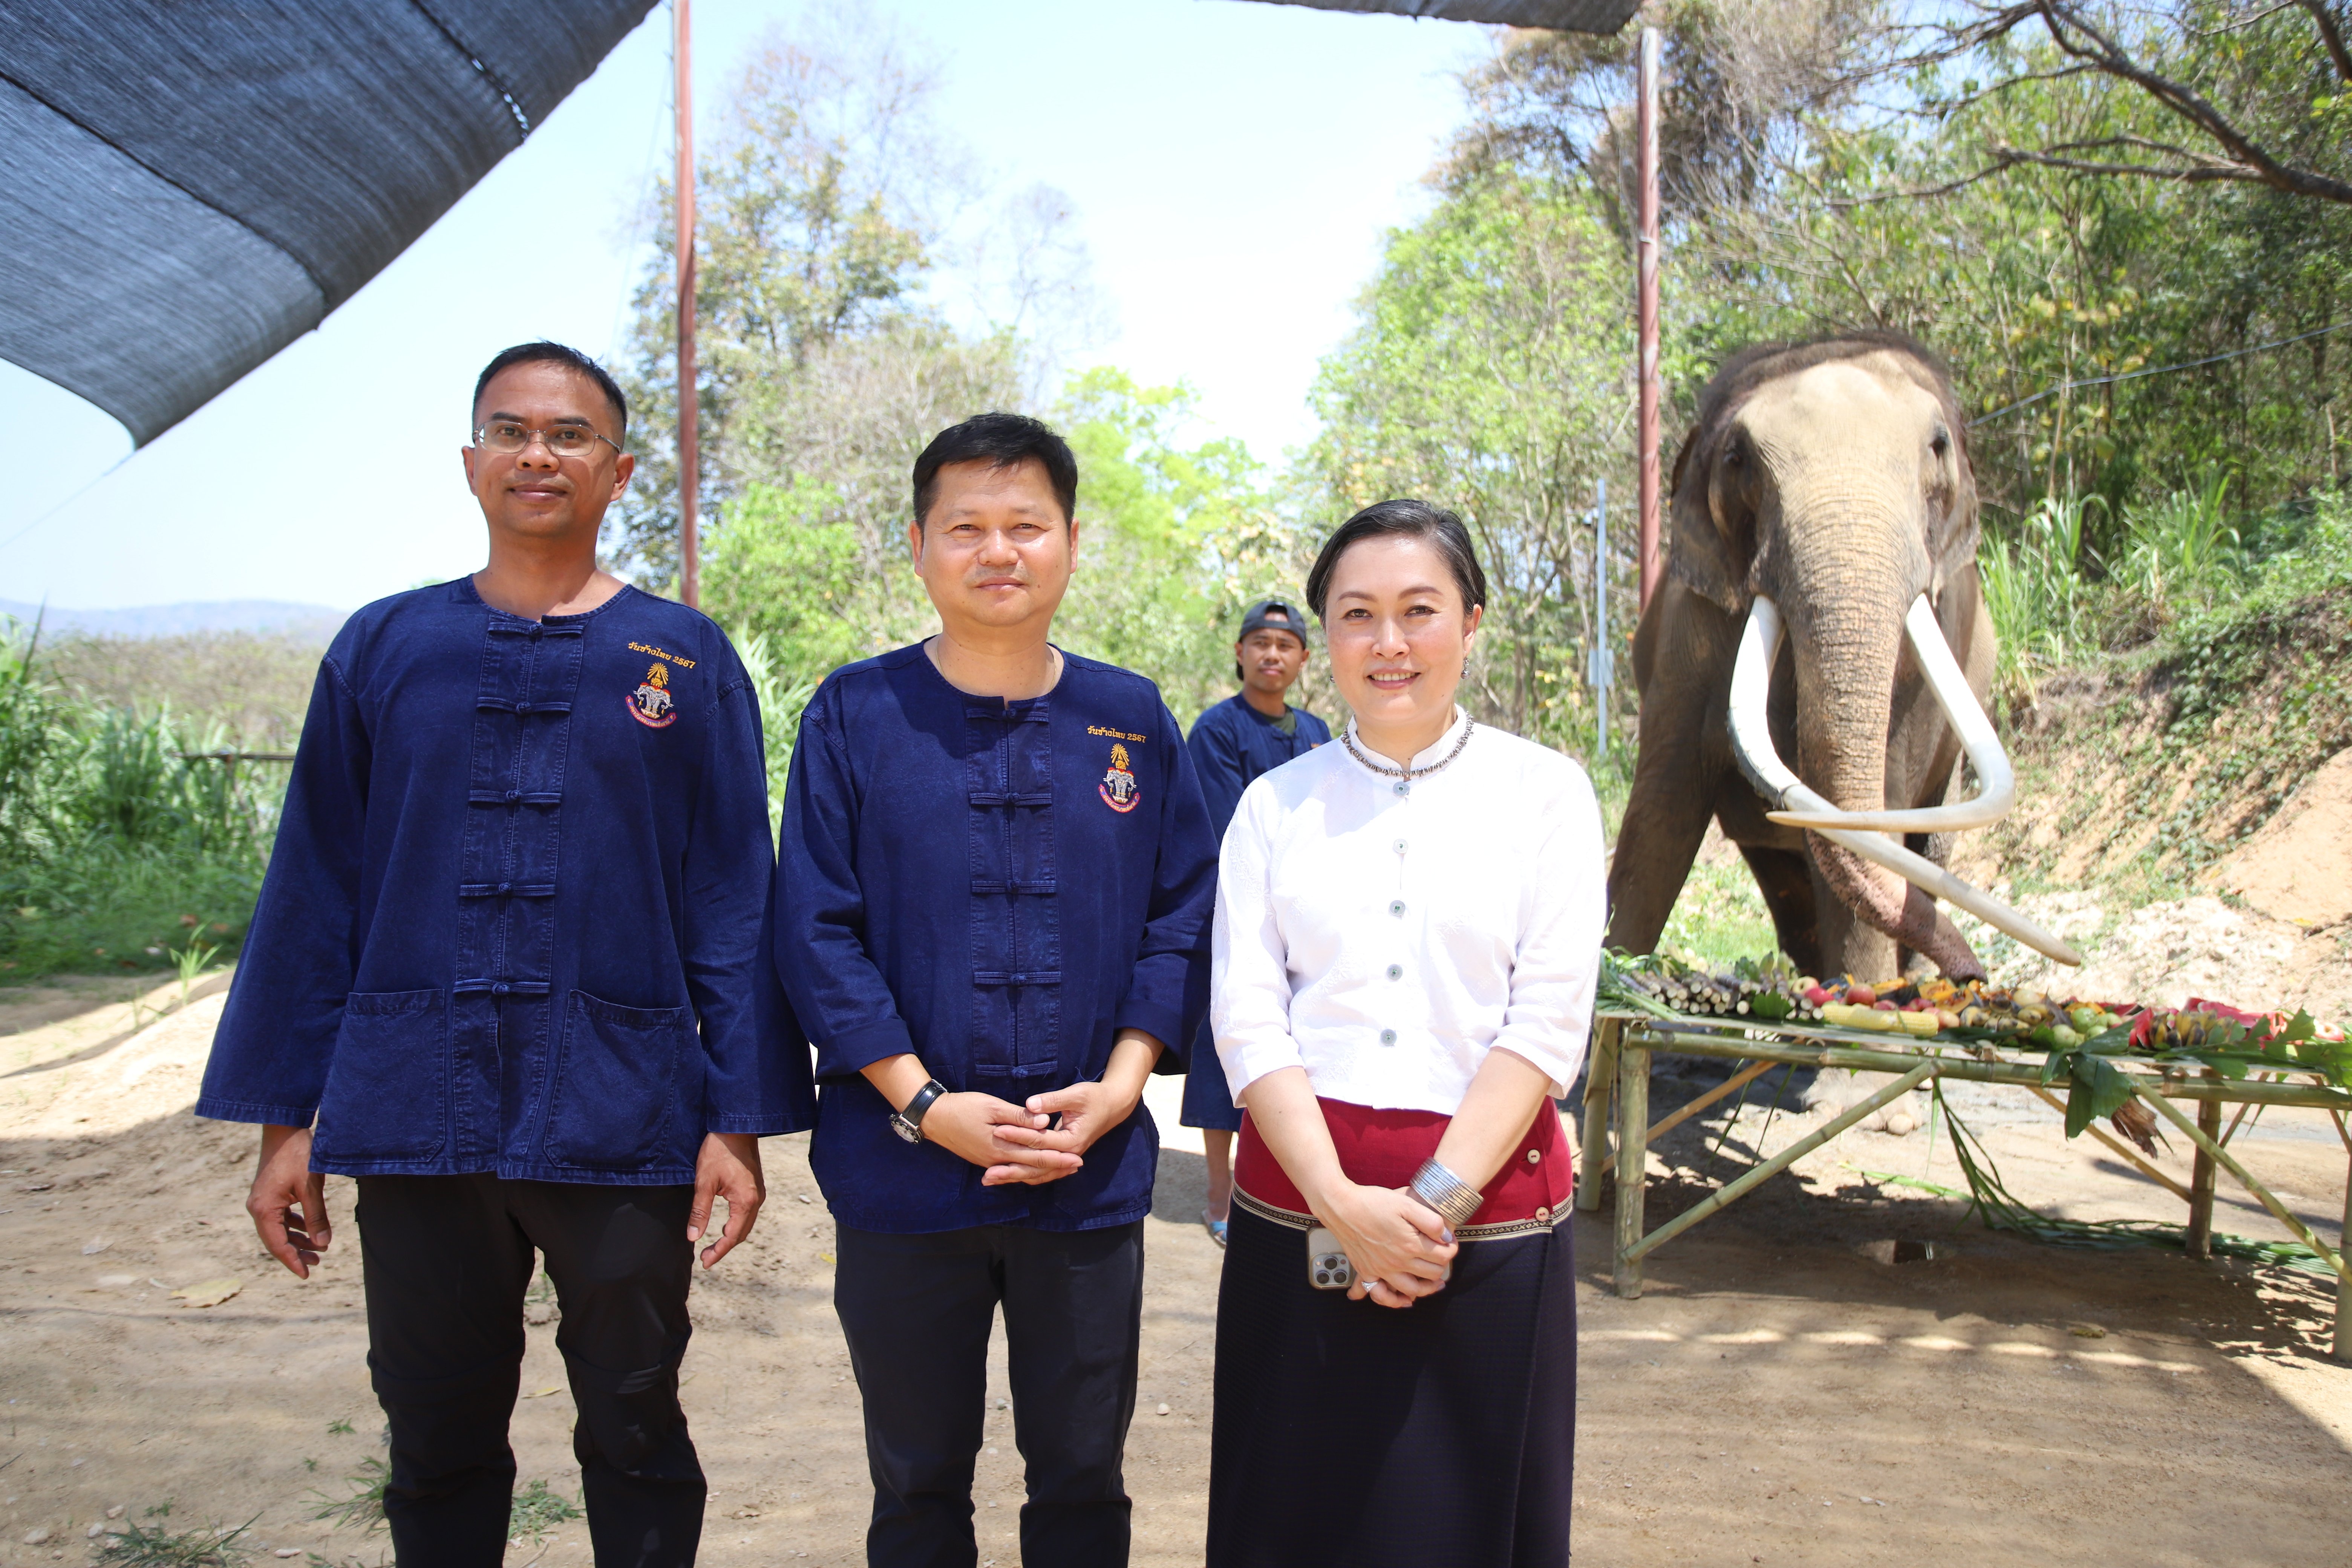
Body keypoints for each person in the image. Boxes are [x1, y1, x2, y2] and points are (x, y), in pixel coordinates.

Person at [202, 341, 815, 1568]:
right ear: (472, 462)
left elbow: (732, 901)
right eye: (512, 430)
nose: (541, 452)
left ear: (620, 469)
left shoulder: (684, 662)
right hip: (416, 1107)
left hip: (625, 1111)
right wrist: (288, 1118)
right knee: (435, 1436)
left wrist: (736, 1119)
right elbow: (316, 888)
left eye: (572, 434)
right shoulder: (385, 652)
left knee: (637, 1420)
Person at [774, 412, 1219, 1568]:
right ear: (918, 547)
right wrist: (926, 1106)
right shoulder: (854, 715)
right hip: (902, 1173)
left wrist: (1123, 1090)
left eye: (1027, 525)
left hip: (1088, 1170)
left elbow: (1182, 913)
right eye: (965, 526)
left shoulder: (1130, 719)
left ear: (1073, 540)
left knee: (1082, 1479)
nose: (998, 550)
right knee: (917, 1482)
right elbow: (815, 929)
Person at [1203, 499, 1604, 1567]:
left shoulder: (1546, 795)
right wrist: (1342, 1206)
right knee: (1293, 1503)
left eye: (1419, 611)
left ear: (1472, 622)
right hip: (1302, 1196)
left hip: (1485, 1211)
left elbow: (1550, 1014)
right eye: (1358, 615)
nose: (1389, 643)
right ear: (1324, 636)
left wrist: (1424, 1211)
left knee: (1458, 1515)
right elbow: (1247, 1014)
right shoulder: (1275, 808)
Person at [1181, 599, 1329, 1245]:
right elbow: (1224, 831)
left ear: (1303, 658)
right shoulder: (1217, 731)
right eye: (1260, 643)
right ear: (1240, 653)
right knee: (1231, 1049)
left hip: (1312, 915)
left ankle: (1298, 1182)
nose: (1272, 654)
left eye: (1285, 644)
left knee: (1306, 1047)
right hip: (1237, 911)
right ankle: (1223, 1191)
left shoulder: (1320, 731)